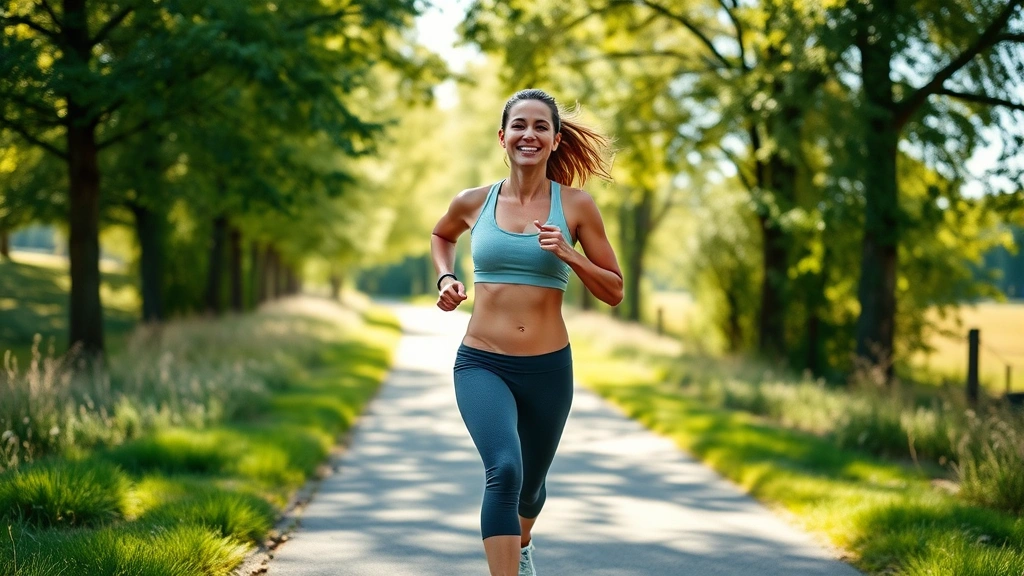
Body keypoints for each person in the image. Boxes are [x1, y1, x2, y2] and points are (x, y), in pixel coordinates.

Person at [430, 88, 624, 576]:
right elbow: (442, 234)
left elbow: (615, 291)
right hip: (482, 361)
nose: (529, 134)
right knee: (506, 471)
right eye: (519, 125)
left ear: (556, 140)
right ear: (503, 136)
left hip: (547, 369)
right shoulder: (473, 201)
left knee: (531, 487)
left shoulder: (577, 206)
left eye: (541, 126)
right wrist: (447, 277)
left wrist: (570, 255)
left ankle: (521, 546)